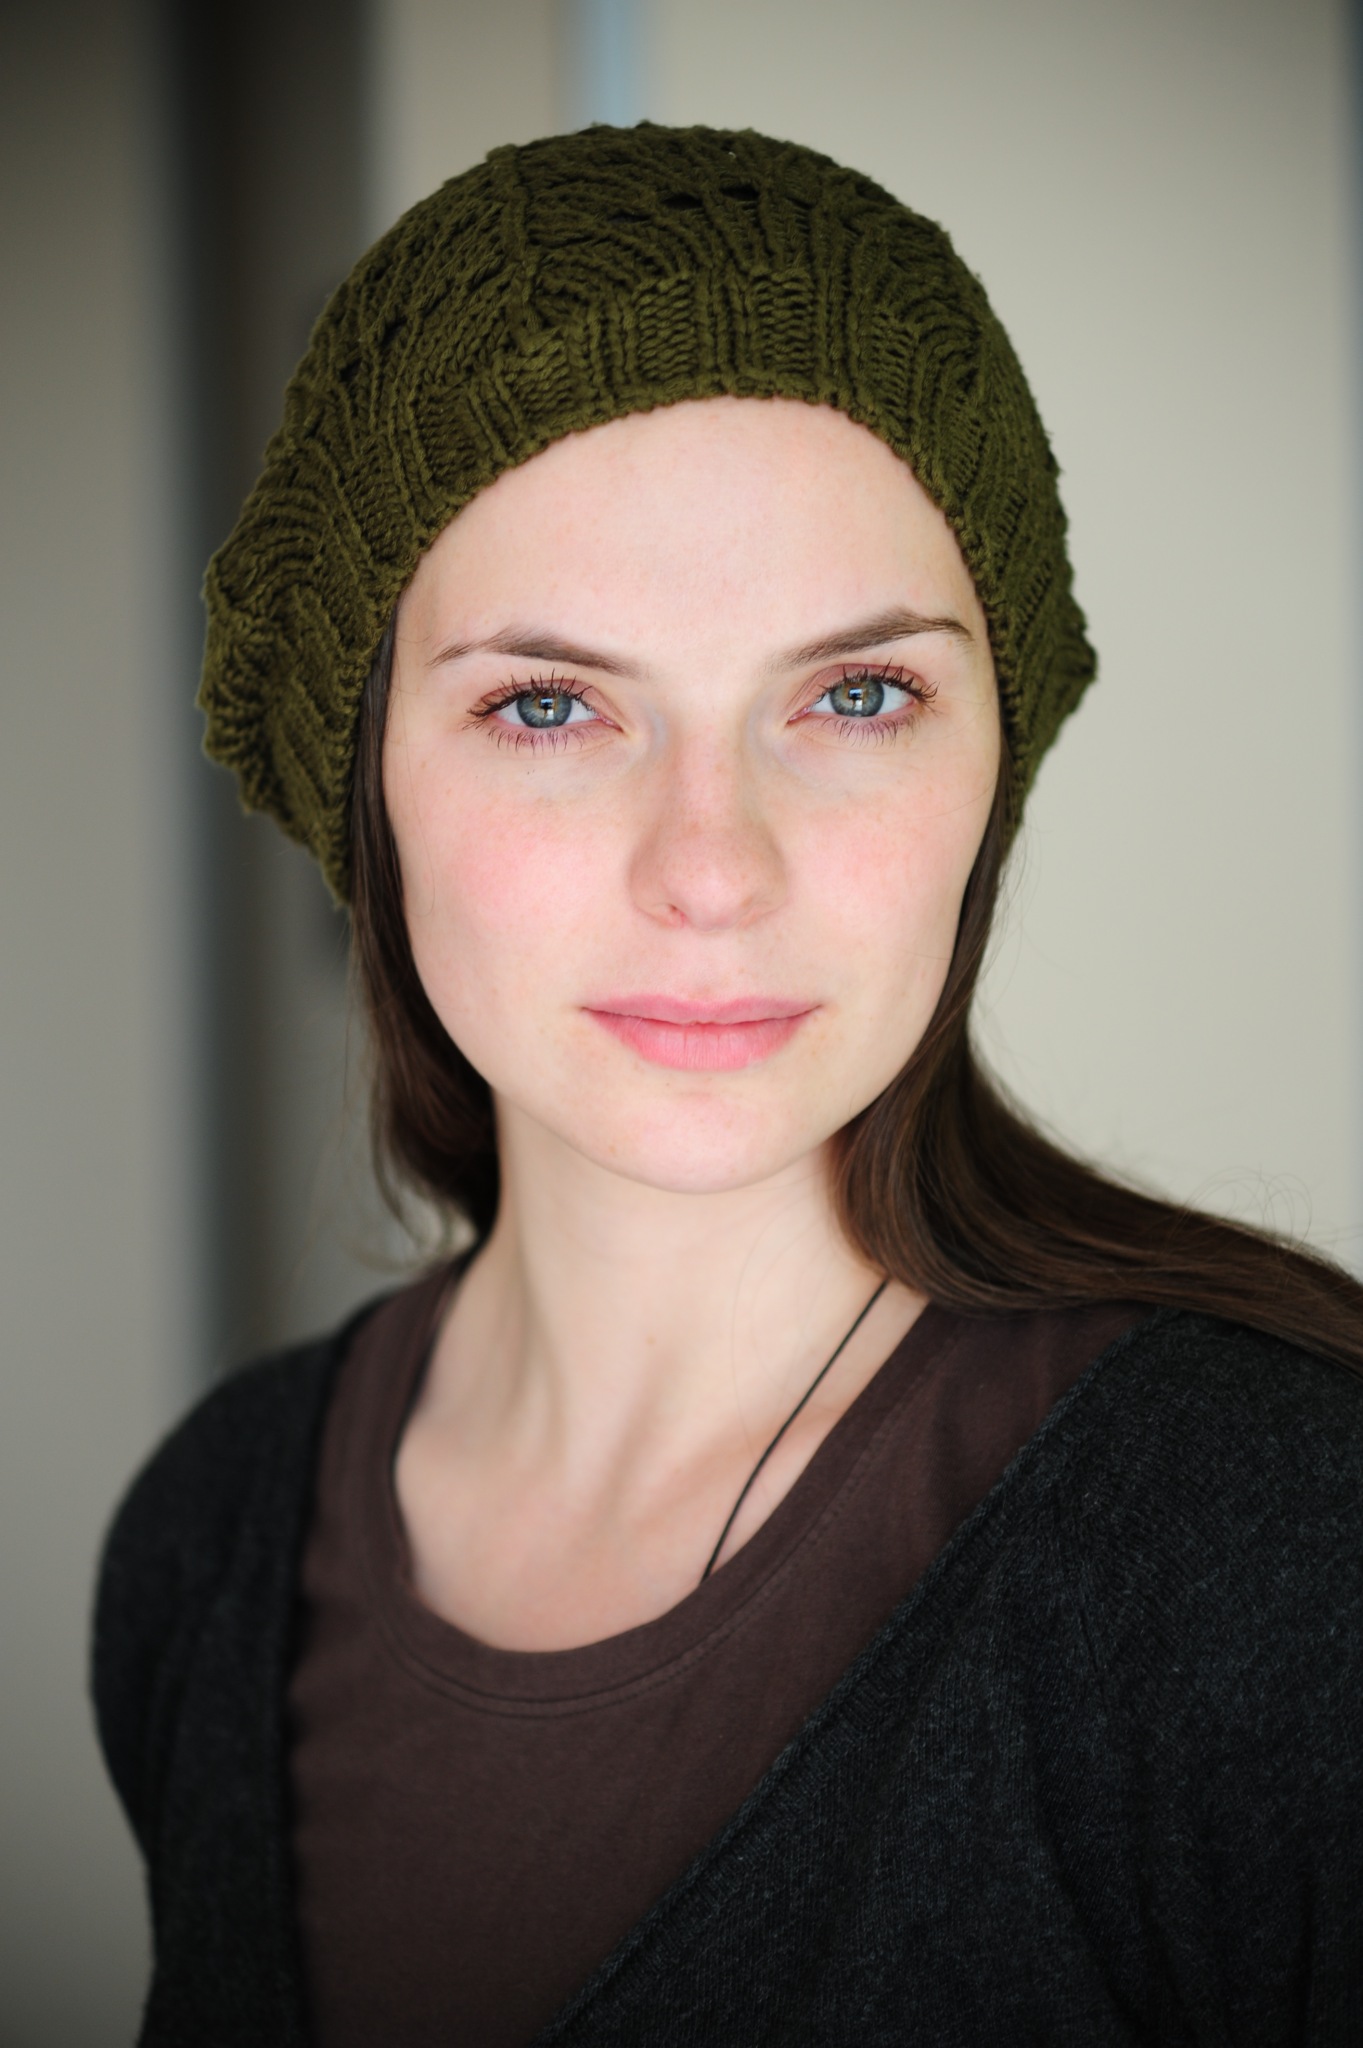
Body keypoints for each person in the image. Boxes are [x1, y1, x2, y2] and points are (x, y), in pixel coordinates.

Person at [93, 124, 1363, 2046]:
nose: (713, 868)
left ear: (992, 765)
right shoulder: (208, 1549)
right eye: (549, 705)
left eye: (856, 696)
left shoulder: (1285, 1552)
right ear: (368, 788)